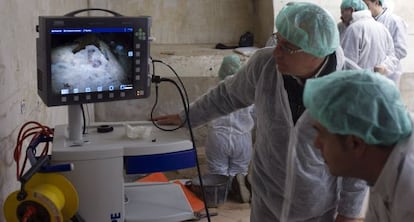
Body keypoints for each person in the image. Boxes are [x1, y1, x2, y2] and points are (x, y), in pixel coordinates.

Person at [153, 2, 367, 221]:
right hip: (266, 200)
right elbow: (226, 96)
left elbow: (358, 161)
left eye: (287, 47)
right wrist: (186, 116)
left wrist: (348, 213)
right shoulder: (264, 66)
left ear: (315, 52)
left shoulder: (353, 89)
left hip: (317, 207)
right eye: (278, 40)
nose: (276, 52)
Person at [303, 69, 414, 222]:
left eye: (322, 134)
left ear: (355, 142)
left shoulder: (409, 194)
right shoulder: (383, 167)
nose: (316, 143)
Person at [205, 54, 255, 203]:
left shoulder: (214, 90)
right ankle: (238, 187)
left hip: (218, 136)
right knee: (239, 170)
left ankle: (221, 194)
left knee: (217, 170)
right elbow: (257, 114)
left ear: (221, 70)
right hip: (242, 137)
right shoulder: (248, 92)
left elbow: (204, 113)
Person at [339, 0, 399, 83]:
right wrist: (381, 68)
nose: (341, 17)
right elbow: (392, 57)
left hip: (359, 85)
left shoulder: (354, 29)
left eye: (342, 12)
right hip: (378, 83)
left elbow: (345, 65)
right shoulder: (382, 27)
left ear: (351, 10)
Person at [363, 0, 408, 87]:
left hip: (389, 74)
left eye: (367, 5)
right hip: (369, 73)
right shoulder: (367, 21)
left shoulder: (394, 21)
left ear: (376, 3)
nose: (364, 9)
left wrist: (385, 65)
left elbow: (400, 50)